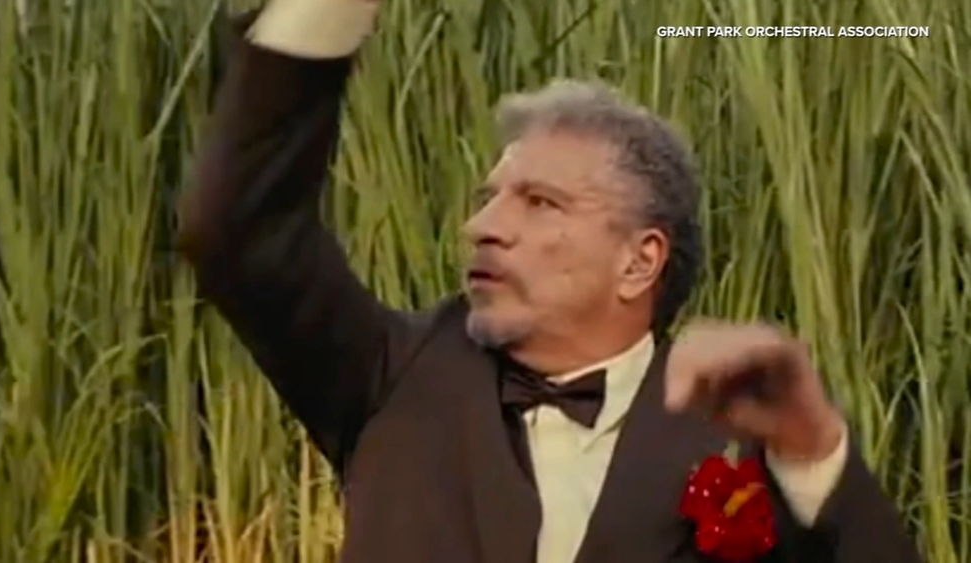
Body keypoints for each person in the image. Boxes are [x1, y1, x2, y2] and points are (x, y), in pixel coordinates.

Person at [177, 1, 923, 562]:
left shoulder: (736, 436)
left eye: (539, 203)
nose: (482, 226)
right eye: (489, 199)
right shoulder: (390, 375)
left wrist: (815, 445)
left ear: (639, 261)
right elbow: (239, 231)